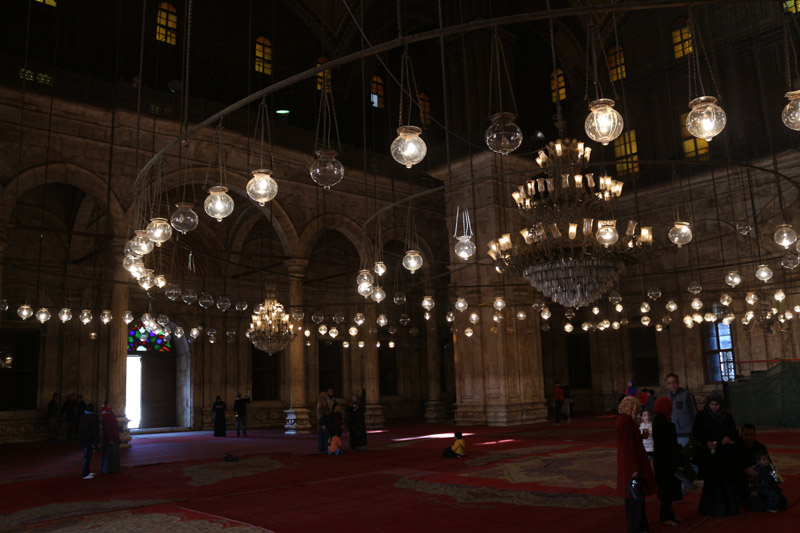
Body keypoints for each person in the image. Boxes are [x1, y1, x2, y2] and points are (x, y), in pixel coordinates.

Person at [691, 392, 738, 517]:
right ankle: (711, 508)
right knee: (712, 481)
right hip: (709, 455)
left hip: (724, 454)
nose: (714, 407)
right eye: (712, 404)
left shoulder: (727, 417)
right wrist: (707, 442)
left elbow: (734, 432)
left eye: (717, 404)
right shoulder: (702, 416)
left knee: (724, 480)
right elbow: (696, 433)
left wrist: (728, 438)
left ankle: (727, 506)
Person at [617, 395, 657, 533]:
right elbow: (627, 448)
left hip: (633, 463)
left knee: (636, 497)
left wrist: (640, 436)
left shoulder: (627, 421)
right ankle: (636, 527)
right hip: (631, 466)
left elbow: (630, 442)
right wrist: (633, 469)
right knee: (634, 497)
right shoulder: (624, 423)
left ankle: (640, 525)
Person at [652, 396, 684, 527]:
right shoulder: (664, 423)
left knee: (667, 489)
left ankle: (670, 514)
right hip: (666, 461)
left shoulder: (659, 421)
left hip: (661, 460)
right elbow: (670, 445)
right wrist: (678, 462)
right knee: (666, 490)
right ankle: (665, 516)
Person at [666, 373, 696, 448]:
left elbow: (694, 413)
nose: (672, 385)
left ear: (678, 382)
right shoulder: (668, 397)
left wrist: (694, 430)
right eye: (669, 383)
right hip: (673, 433)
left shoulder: (686, 395)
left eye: (674, 382)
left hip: (686, 432)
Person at [78, 402, 100, 479]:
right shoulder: (93, 417)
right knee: (87, 456)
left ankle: (87, 472)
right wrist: (97, 441)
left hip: (83, 437)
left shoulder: (83, 415)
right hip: (89, 439)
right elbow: (95, 430)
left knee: (87, 455)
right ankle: (85, 474)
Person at [100, 401, 120, 474]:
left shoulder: (106, 417)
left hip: (109, 437)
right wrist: (112, 438)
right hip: (112, 437)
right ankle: (111, 469)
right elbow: (111, 428)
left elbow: (108, 429)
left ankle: (107, 469)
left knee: (108, 454)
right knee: (112, 454)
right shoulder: (110, 416)